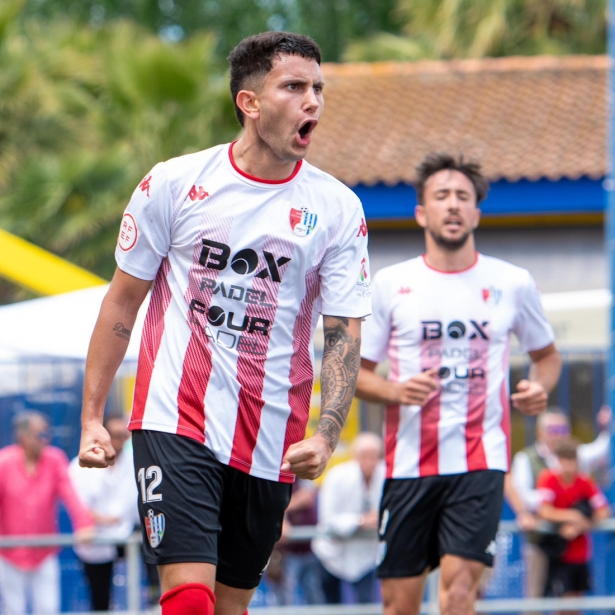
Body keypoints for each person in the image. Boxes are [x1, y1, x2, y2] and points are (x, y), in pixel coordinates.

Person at [78, 31, 370, 615]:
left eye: (318, 88)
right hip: (174, 415)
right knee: (188, 600)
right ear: (250, 102)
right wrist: (92, 415)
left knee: (230, 606)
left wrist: (326, 434)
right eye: (294, 87)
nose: (313, 100)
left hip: (271, 435)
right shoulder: (174, 182)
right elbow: (122, 301)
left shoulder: (338, 209)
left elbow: (342, 332)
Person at [355, 153, 562, 615]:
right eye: (442, 196)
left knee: (460, 593)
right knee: (398, 604)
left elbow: (546, 357)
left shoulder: (512, 282)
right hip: (409, 464)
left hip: (481, 459)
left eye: (463, 197)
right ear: (422, 213)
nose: (453, 205)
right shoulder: (391, 284)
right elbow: (355, 374)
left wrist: (538, 388)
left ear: (476, 213)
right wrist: (395, 391)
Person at [509, 406, 611, 601]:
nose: (558, 436)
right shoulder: (528, 460)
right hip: (541, 542)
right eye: (553, 430)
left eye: (562, 430)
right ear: (540, 431)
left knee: (570, 599)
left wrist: (605, 428)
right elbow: (530, 499)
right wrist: (570, 514)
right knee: (535, 599)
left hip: (572, 546)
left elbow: (601, 452)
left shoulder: (580, 468)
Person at [0, 411, 94, 614]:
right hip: (8, 552)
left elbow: (71, 495)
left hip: (44, 552)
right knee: (13, 609)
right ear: (23, 437)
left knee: (48, 608)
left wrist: (84, 525)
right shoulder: (4, 462)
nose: (46, 439)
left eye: (47, 434)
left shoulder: (55, 459)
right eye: (40, 435)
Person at [69, 415, 138, 611]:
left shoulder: (134, 462)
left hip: (128, 535)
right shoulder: (80, 465)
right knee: (100, 598)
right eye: (117, 435)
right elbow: (77, 503)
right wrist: (101, 519)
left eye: (125, 435)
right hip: (96, 539)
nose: (122, 440)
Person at [312, 432, 385, 604]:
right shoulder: (337, 476)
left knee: (366, 605)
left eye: (375, 456)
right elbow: (327, 519)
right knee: (331, 606)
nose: (370, 461)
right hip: (331, 555)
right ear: (356, 456)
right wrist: (360, 521)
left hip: (367, 556)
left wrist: (376, 519)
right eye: (365, 456)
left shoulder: (386, 475)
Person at [536, 437, 610, 607]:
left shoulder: (585, 481)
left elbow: (603, 511)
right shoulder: (548, 479)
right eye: (565, 460)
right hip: (557, 554)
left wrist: (578, 526)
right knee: (562, 603)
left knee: (577, 602)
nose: (569, 466)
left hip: (581, 553)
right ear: (558, 460)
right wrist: (572, 515)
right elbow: (544, 511)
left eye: (572, 460)